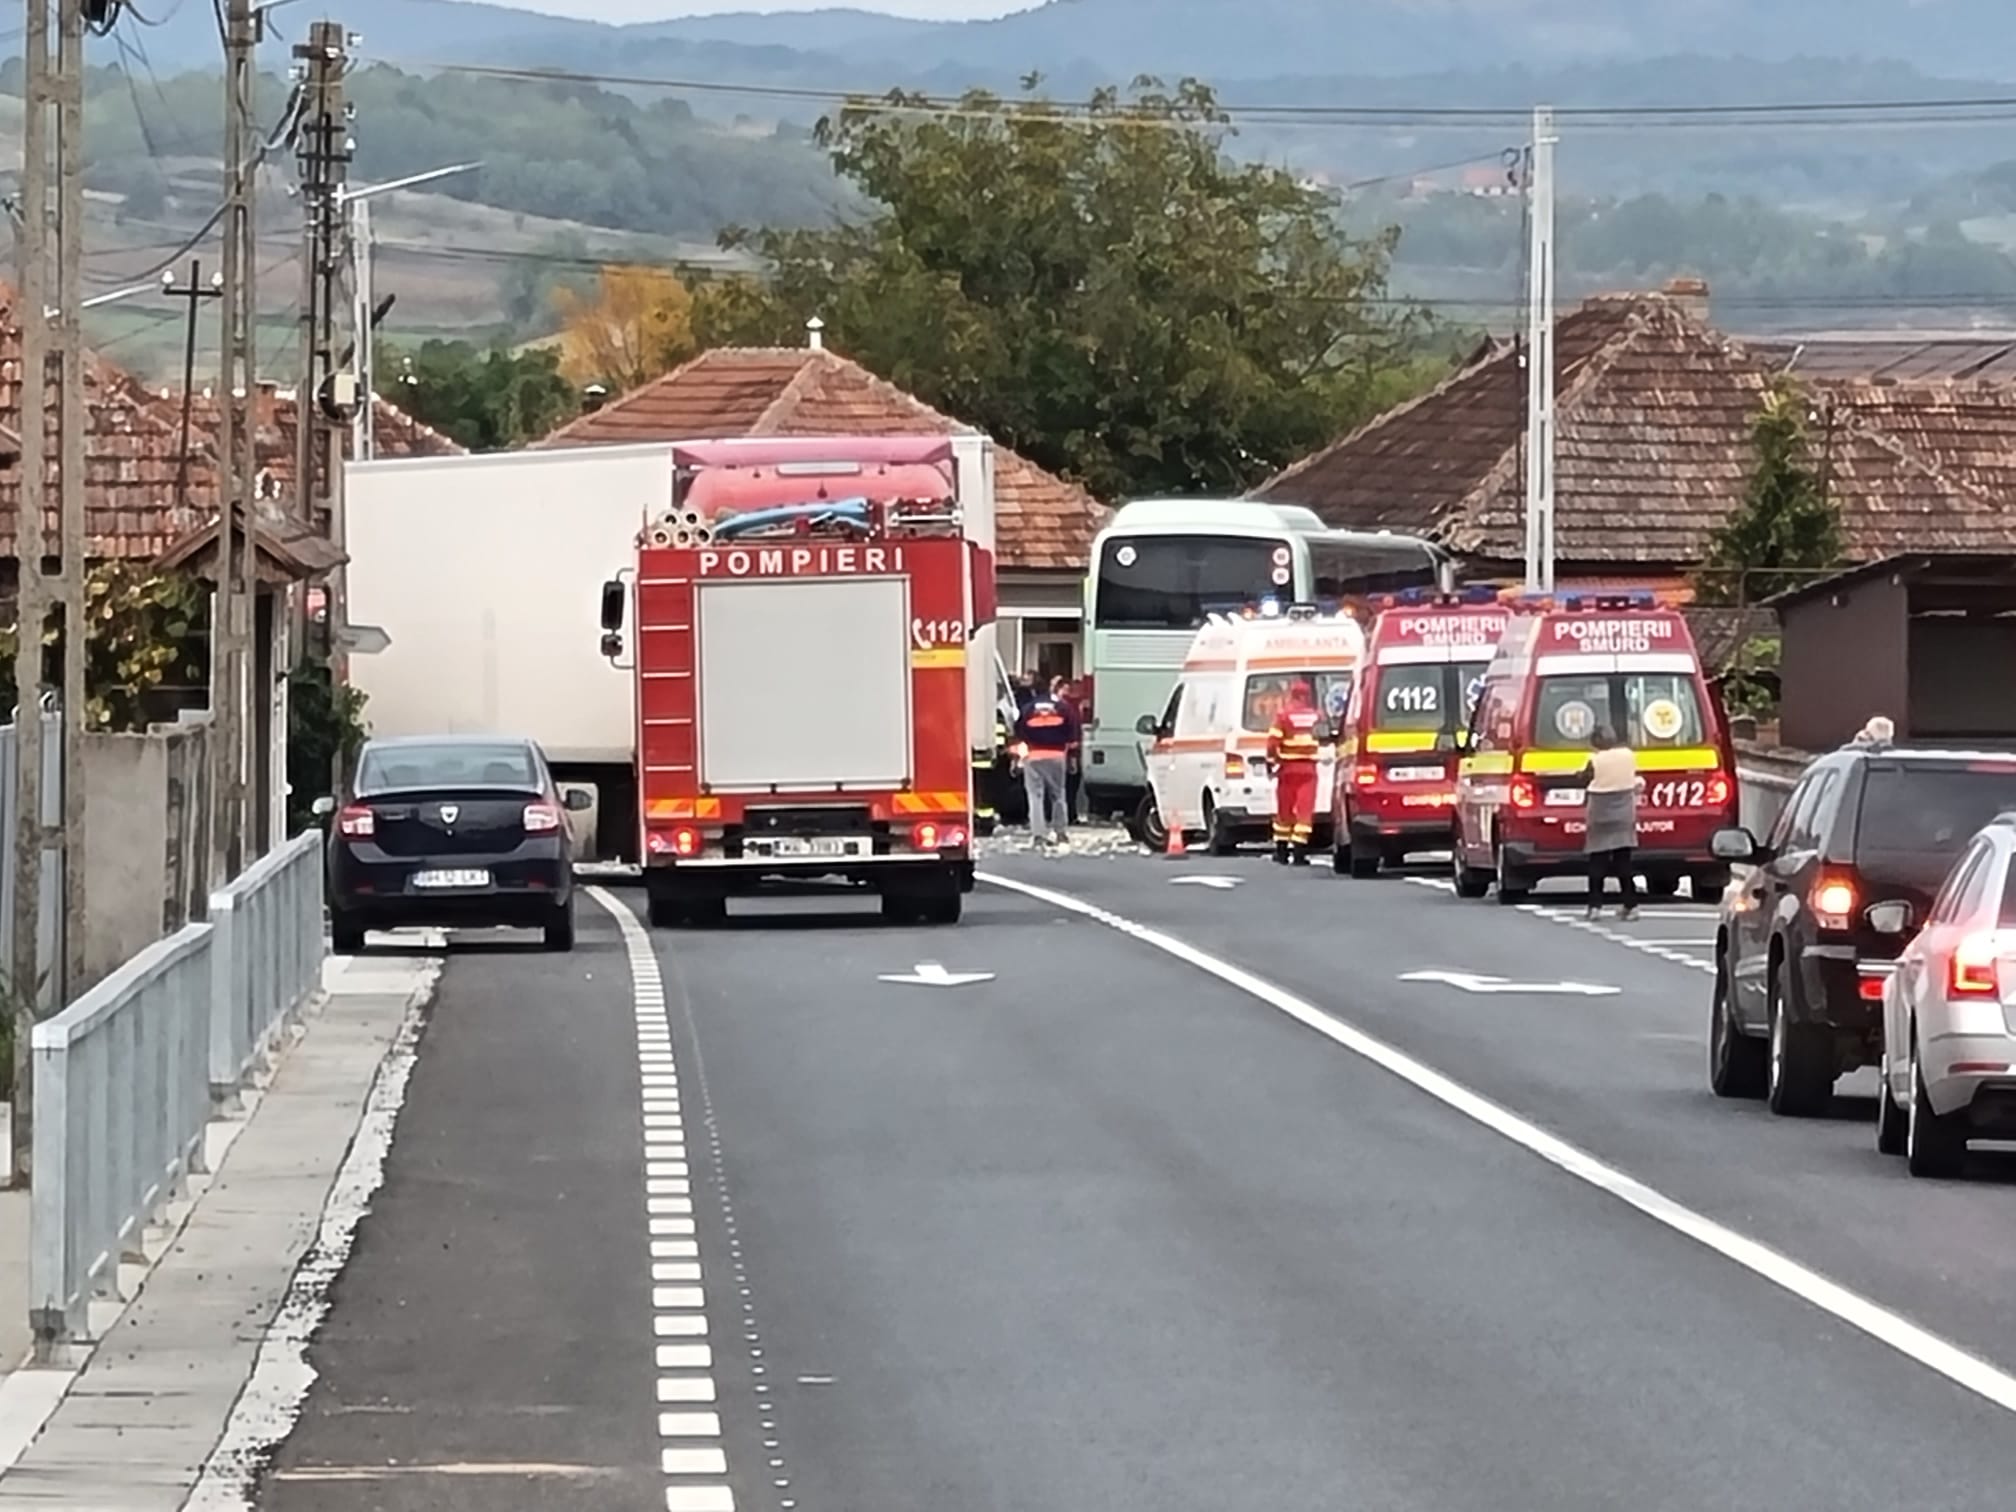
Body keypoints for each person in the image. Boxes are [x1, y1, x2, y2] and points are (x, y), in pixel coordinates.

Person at [1582, 723, 1645, 920]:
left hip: (1600, 813)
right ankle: (1631, 905)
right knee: (1623, 862)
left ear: (1596, 742)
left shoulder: (1594, 760)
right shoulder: (1628, 755)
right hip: (1624, 814)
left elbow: (1584, 778)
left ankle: (1595, 907)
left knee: (1597, 862)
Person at [1264, 679, 1326, 866]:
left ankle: (1281, 851)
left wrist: (1270, 761)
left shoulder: (1284, 716)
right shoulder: (1316, 716)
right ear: (1307, 696)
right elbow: (1324, 737)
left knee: (1285, 808)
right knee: (1304, 811)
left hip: (1287, 768)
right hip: (1308, 770)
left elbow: (1273, 742)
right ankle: (1299, 853)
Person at [1014, 678, 1079, 849]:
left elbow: (1019, 733)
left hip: (1034, 756)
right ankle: (1061, 833)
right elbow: (1072, 733)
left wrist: (1017, 758)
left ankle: (1038, 835)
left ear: (1034, 692)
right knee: (1058, 795)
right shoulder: (1063, 708)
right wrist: (1072, 757)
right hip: (1057, 756)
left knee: (1035, 796)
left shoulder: (1028, 709)